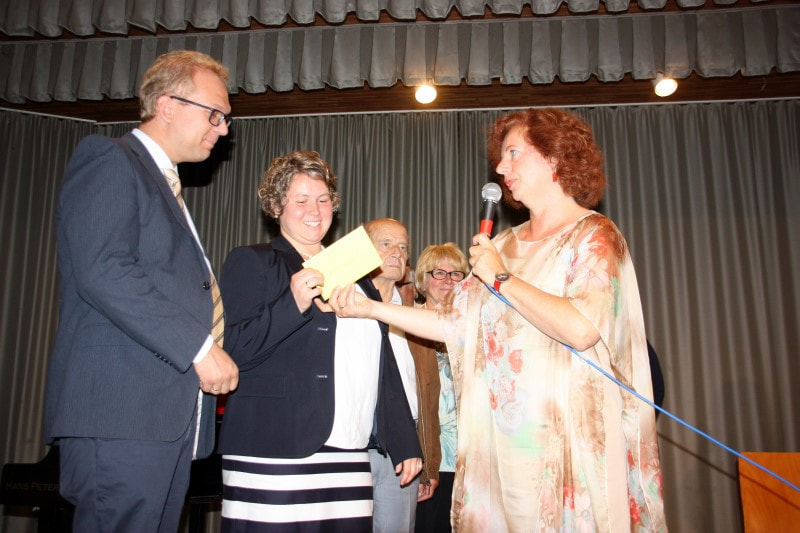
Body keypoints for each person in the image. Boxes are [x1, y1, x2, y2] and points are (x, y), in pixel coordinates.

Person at [328, 108, 668, 531]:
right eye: (501, 157)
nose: (501, 168)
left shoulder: (594, 235)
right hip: (505, 453)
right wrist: (370, 309)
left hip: (570, 446)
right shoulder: (502, 244)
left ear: (554, 157)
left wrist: (500, 278)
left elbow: (581, 329)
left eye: (513, 153)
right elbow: (451, 323)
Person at [42, 50, 240, 532]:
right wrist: (199, 348)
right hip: (121, 413)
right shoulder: (110, 159)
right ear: (167, 105)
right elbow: (104, 270)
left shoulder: (165, 183)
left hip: (159, 418)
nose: (223, 129)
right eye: (215, 114)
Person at [217, 152, 422, 531]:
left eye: (323, 199)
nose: (315, 210)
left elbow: (382, 362)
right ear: (276, 206)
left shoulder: (360, 277)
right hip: (274, 446)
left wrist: (404, 439)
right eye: (301, 200)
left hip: (349, 450)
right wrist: (292, 303)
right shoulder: (253, 261)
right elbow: (232, 353)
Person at [363, 218, 425, 532]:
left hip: (403, 444)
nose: (397, 253)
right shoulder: (343, 303)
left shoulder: (413, 315)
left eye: (403, 247)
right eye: (386, 244)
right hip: (355, 440)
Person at [409, 243, 469, 533]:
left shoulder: (475, 326)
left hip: (470, 456)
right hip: (427, 454)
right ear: (422, 280)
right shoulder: (406, 324)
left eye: (456, 274)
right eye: (439, 273)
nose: (448, 280)